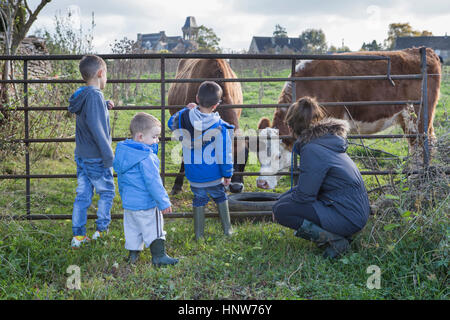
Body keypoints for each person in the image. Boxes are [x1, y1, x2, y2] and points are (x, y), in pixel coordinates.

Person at [272, 96, 371, 259]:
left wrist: (281, 205)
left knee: (282, 210)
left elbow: (305, 196)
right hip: (349, 209)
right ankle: (336, 234)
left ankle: (335, 240)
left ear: (291, 126)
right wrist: (285, 198)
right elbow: (310, 187)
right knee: (283, 201)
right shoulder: (324, 141)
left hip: (347, 215)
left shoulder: (312, 150)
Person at [168, 81, 234, 240]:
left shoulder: (184, 118)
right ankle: (228, 230)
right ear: (216, 105)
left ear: (197, 98)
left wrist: (186, 109)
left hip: (194, 176)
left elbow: (171, 123)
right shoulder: (220, 127)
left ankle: (199, 235)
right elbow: (225, 154)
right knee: (220, 196)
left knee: (198, 200)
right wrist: (227, 174)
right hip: (214, 176)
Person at [113, 112, 178, 266]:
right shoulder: (146, 158)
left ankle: (133, 257)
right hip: (146, 203)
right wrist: (163, 202)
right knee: (155, 228)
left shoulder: (123, 152)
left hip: (129, 204)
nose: (157, 140)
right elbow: (153, 182)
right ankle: (159, 257)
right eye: (155, 137)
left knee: (133, 230)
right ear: (141, 137)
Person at [68, 55, 115, 249]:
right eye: (106, 76)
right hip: (96, 156)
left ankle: (78, 236)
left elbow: (89, 114)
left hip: (82, 155)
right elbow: (96, 128)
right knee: (107, 192)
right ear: (100, 73)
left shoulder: (84, 95)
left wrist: (104, 105)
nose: (106, 80)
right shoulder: (95, 95)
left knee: (83, 195)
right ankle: (101, 231)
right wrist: (109, 156)